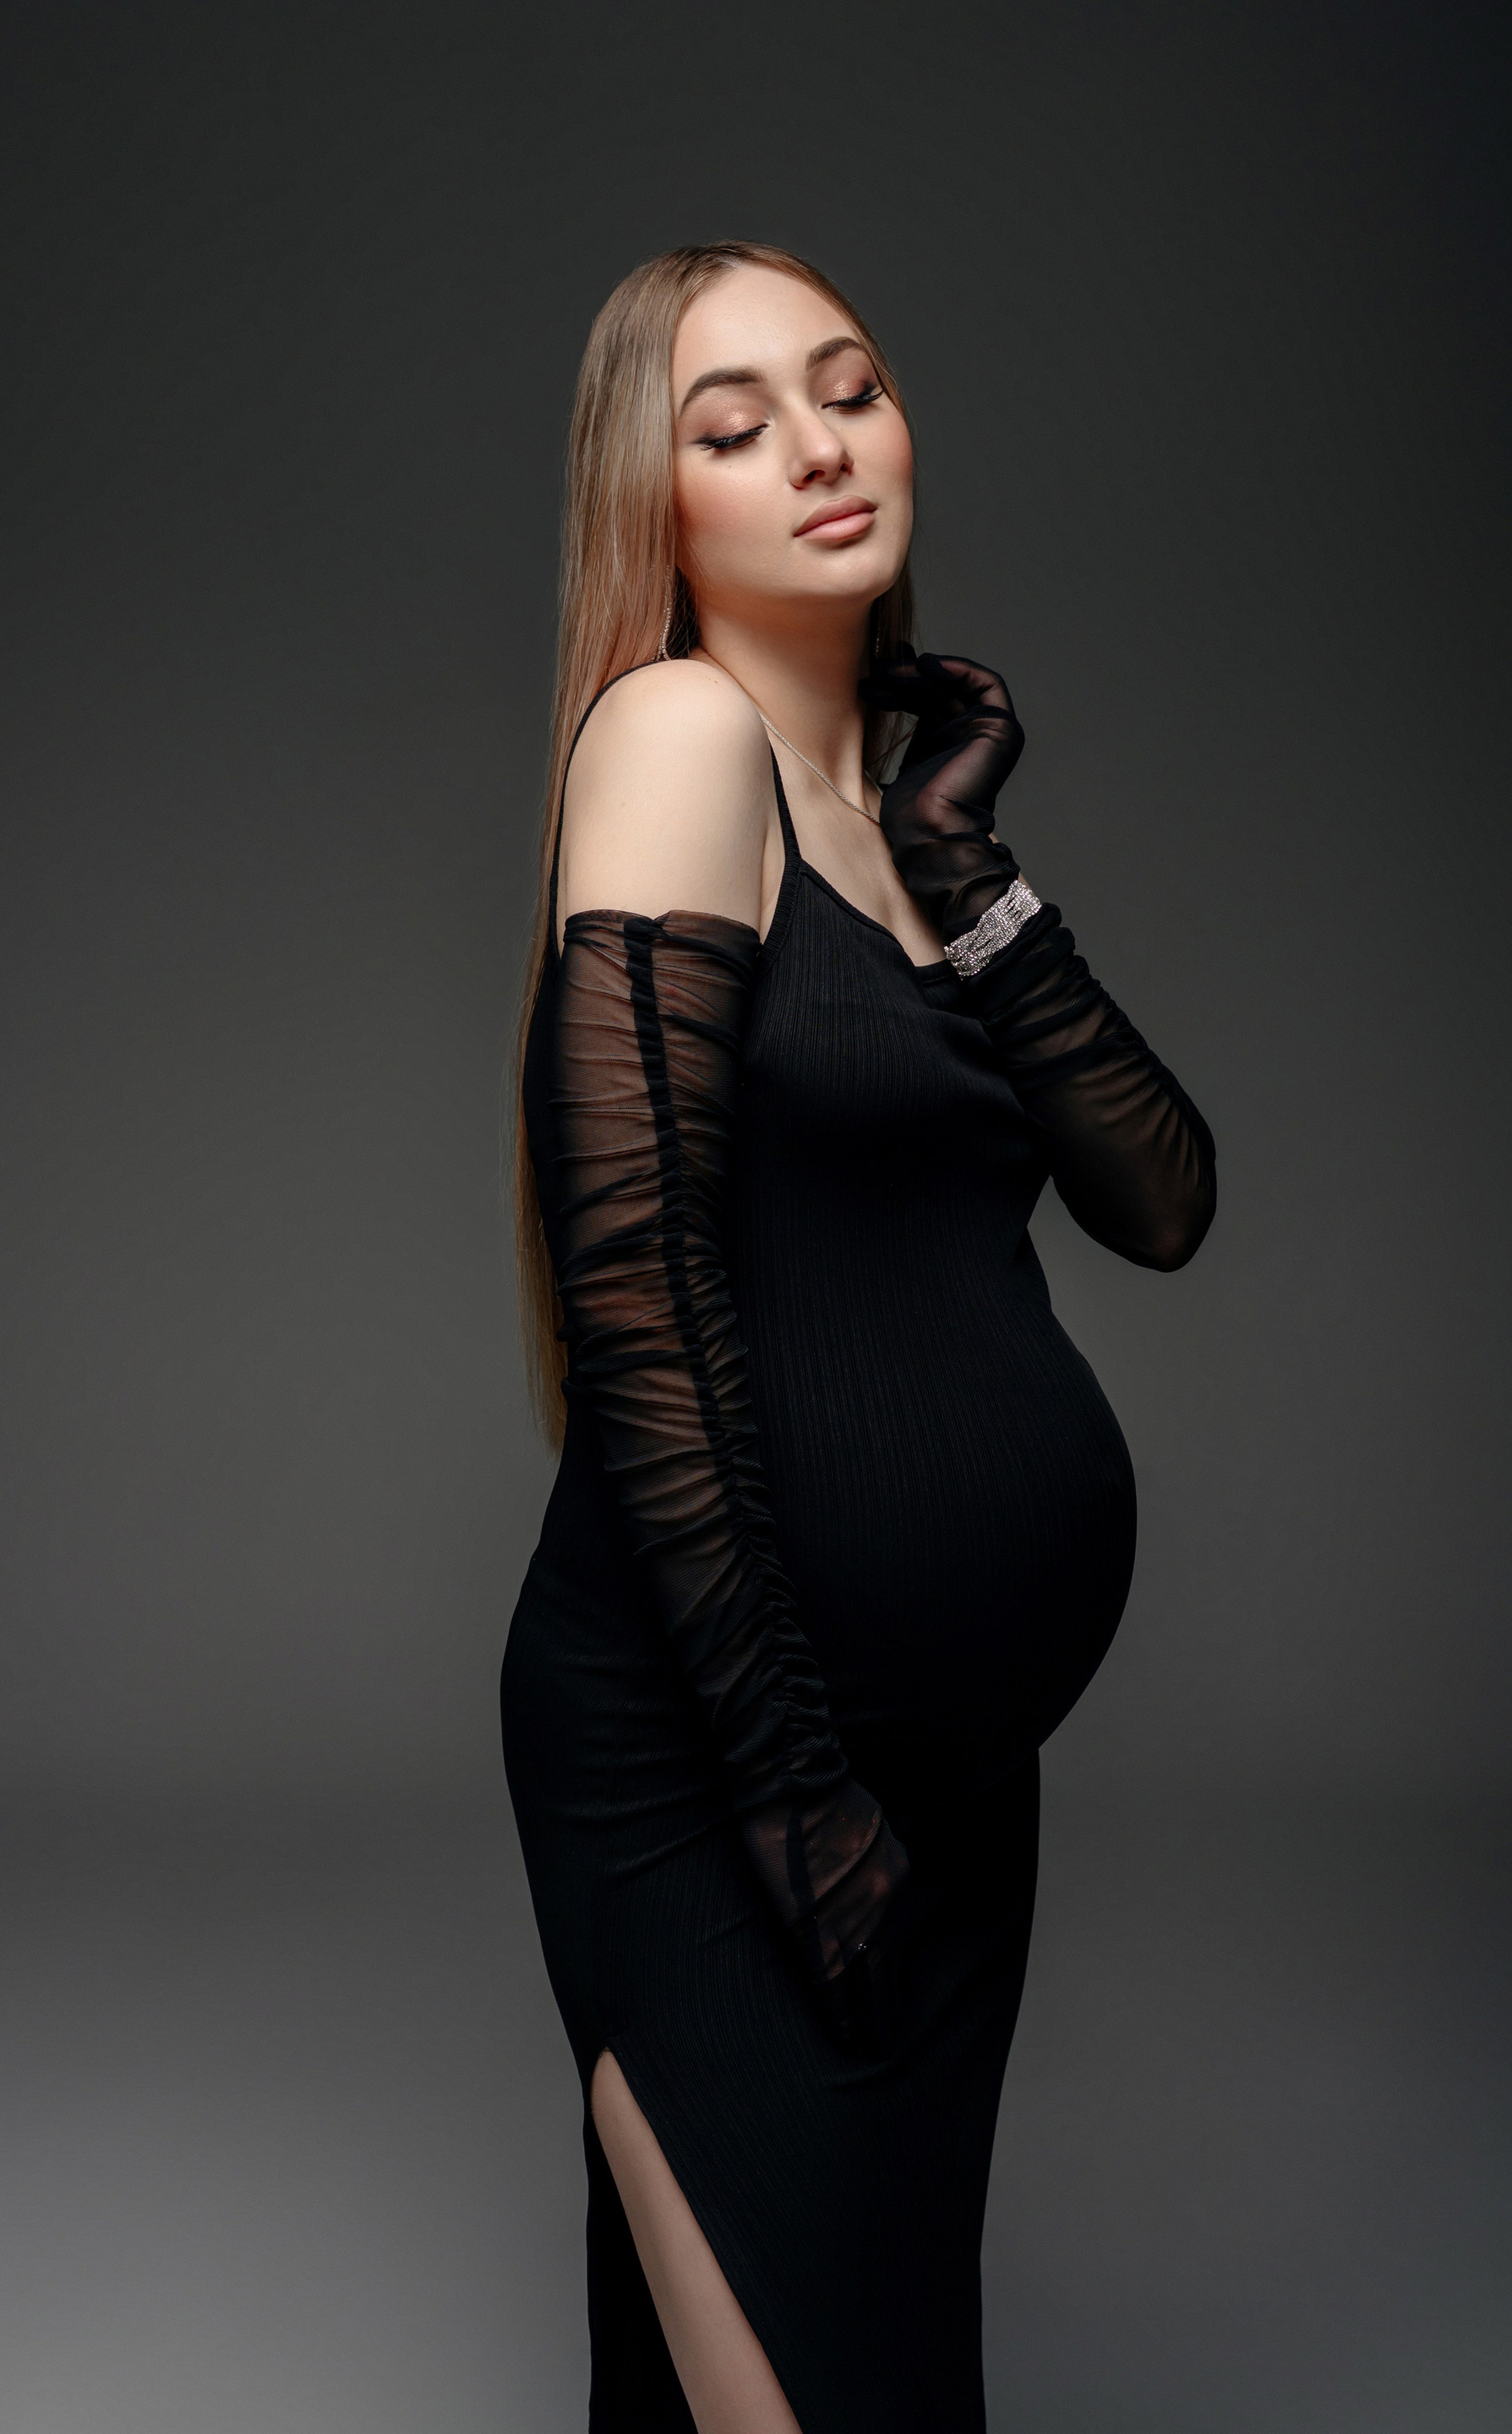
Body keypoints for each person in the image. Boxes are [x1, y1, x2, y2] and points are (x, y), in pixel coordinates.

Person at [502, 240, 1215, 2434]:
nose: (819, 447)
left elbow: (1161, 1198)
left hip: (949, 1789)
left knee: (888, 2381)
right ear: (657, 505)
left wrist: (961, 857)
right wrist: (796, 1793)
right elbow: (637, 1300)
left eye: (852, 388)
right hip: (728, 1778)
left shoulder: (894, 845)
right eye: (734, 426)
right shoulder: (678, 737)